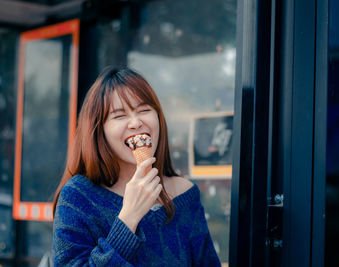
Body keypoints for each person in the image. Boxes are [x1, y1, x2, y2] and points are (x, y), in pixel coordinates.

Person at [52, 66, 221, 266]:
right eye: (119, 115)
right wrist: (128, 218)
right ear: (100, 131)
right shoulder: (78, 196)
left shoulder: (185, 194)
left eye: (144, 110)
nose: (136, 122)